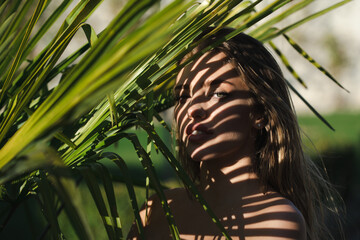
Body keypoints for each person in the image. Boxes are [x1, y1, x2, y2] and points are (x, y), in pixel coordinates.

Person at [127, 27, 341, 240]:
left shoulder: (275, 222)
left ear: (260, 113)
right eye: (183, 96)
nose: (193, 109)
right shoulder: (155, 212)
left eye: (219, 94)